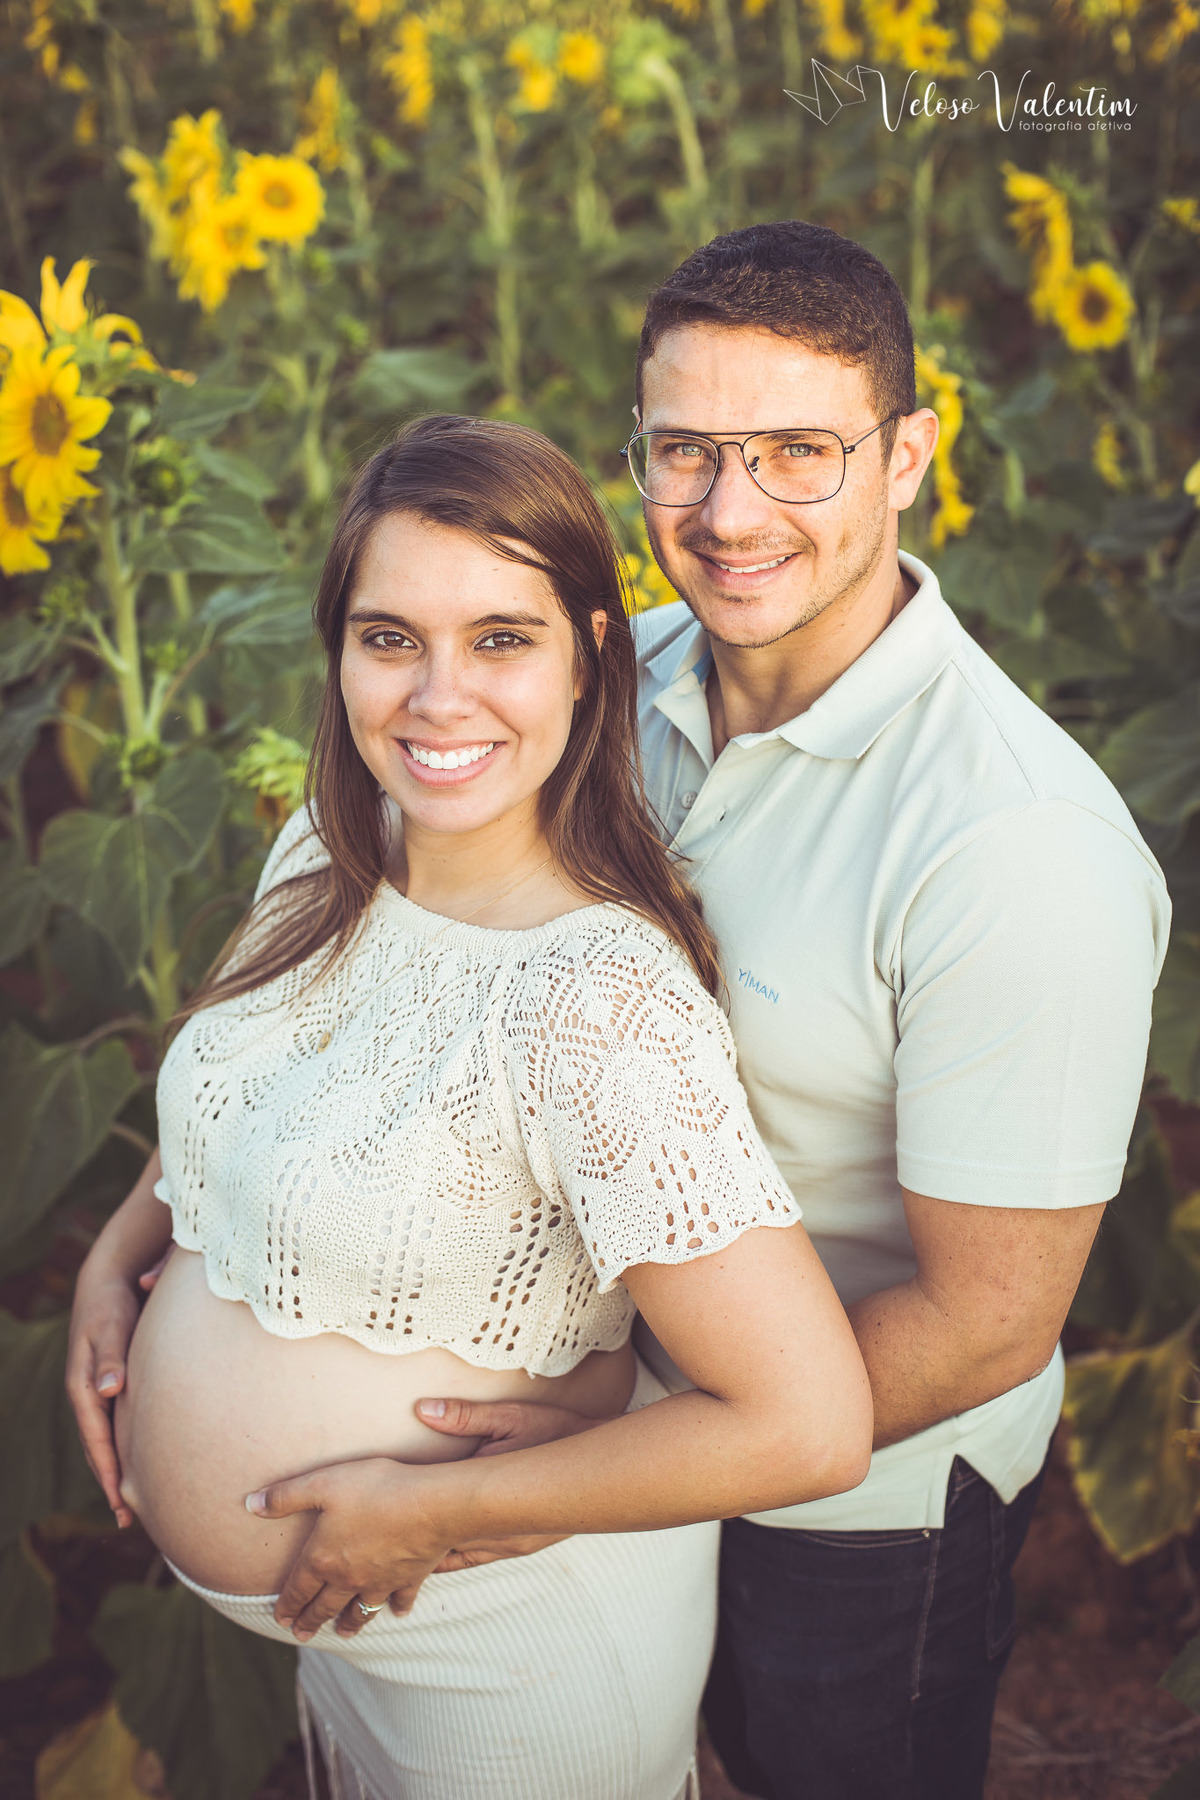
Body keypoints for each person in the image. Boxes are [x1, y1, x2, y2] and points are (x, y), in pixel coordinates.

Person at [382, 222, 1172, 1800]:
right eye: (685, 455)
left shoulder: (1018, 845)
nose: (730, 516)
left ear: (909, 456)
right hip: (588, 1432)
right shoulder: (606, 685)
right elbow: (398, 940)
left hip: (851, 1520)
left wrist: (600, 1452)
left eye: (800, 453)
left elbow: (981, 1323)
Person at [66, 413, 873, 1800]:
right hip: (346, 1630)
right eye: (390, 638)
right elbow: (255, 1080)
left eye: (501, 637)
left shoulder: (598, 999)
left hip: (509, 1662)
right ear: (338, 651)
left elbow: (807, 1424)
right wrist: (120, 1253)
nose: (438, 697)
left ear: (591, 655)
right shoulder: (336, 839)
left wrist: (429, 1508)